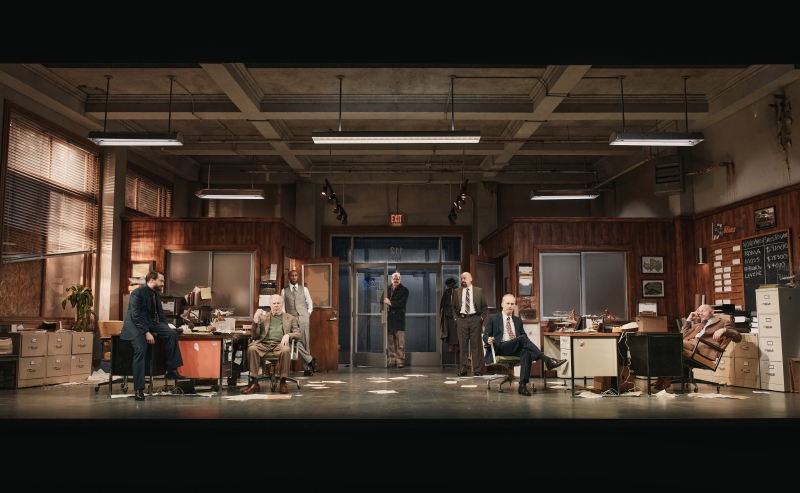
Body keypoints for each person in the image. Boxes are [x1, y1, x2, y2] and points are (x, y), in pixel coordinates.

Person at [484, 294, 567, 396]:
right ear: (502, 304)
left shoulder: (517, 320)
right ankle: (547, 360)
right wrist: (488, 339)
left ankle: (522, 385)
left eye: (512, 304)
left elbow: (524, 336)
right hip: (501, 347)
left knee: (526, 351)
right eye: (507, 303)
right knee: (522, 339)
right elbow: (485, 334)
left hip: (515, 347)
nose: (510, 306)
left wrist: (526, 345)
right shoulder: (493, 318)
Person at [120, 270, 184, 402]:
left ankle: (171, 370)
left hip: (151, 323)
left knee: (172, 334)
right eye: (161, 281)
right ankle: (139, 389)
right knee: (141, 350)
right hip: (135, 326)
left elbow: (161, 314)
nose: (163, 284)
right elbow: (135, 315)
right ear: (152, 280)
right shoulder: (137, 293)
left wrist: (166, 327)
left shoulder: (155, 294)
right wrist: (146, 332)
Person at [651, 303, 741, 390]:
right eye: (699, 311)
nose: (700, 313)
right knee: (667, 345)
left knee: (671, 342)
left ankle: (664, 378)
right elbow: (683, 335)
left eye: (703, 311)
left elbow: (738, 337)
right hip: (690, 344)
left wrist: (724, 330)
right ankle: (664, 378)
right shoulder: (698, 325)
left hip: (700, 347)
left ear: (712, 311)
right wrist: (689, 320)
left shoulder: (723, 322)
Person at [242, 295, 301, 394]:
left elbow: (298, 334)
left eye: (278, 303)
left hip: (280, 344)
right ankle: (254, 383)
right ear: (270, 305)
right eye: (274, 303)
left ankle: (283, 382)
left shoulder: (290, 318)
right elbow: (255, 335)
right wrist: (255, 320)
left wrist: (288, 335)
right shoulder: (263, 318)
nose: (276, 305)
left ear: (282, 304)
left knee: (286, 350)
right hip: (264, 343)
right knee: (252, 349)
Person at [278, 269, 317, 376]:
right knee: (294, 341)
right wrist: (286, 317)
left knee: (305, 342)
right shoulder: (284, 291)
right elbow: (283, 306)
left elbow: (309, 303)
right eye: (292, 275)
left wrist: (307, 314)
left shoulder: (304, 289)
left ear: (298, 277)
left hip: (303, 318)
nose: (294, 277)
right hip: (291, 319)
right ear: (289, 277)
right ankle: (310, 359)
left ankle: (306, 369)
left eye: (296, 275)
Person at [452, 272, 488, 376]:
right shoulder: (457, 291)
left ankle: (477, 370)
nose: (463, 280)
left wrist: (481, 318)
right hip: (462, 319)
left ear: (470, 279)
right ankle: (463, 370)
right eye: (461, 278)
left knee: (476, 345)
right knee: (462, 345)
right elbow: (453, 307)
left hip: (475, 319)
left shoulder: (478, 291)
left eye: (465, 278)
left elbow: (484, 306)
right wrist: (456, 319)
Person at [383, 272, 409, 368]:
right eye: (394, 279)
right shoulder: (387, 289)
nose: (395, 280)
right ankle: (392, 360)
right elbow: (382, 300)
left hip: (399, 318)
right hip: (389, 318)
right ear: (391, 280)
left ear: (400, 280)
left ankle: (400, 361)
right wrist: (385, 302)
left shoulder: (404, 290)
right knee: (390, 341)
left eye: (397, 279)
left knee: (400, 341)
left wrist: (390, 303)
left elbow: (402, 303)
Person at [439, 277, 459, 353]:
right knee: (452, 335)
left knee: (454, 335)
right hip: (450, 316)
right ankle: (453, 350)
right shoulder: (448, 292)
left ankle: (455, 351)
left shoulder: (454, 291)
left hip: (453, 316)